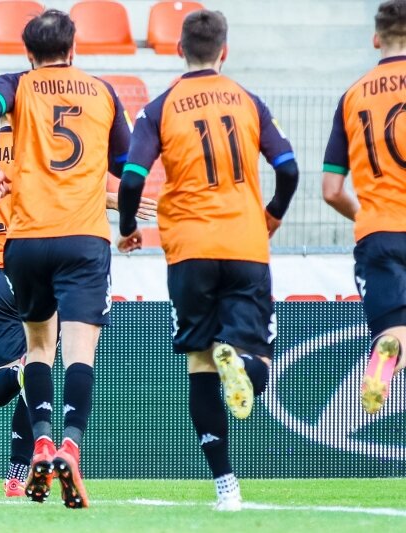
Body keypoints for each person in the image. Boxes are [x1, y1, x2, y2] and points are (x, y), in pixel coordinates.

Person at [117, 9, 299, 511]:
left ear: (179, 50)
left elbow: (131, 178)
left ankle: (226, 488)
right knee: (257, 357)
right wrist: (273, 214)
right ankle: (242, 363)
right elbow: (288, 168)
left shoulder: (158, 109)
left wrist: (128, 227)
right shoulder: (249, 101)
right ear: (225, 51)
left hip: (189, 249)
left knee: (199, 362)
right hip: (245, 244)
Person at [0, 120, 157, 498]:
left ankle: (20, 463)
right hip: (38, 265)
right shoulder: (41, 148)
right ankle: (20, 471)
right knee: (40, 361)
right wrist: (116, 201)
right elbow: (69, 191)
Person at [0, 9, 131, 509]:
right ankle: (70, 447)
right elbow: (127, 165)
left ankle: (40, 443)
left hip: (27, 239)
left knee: (38, 348)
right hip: (83, 237)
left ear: (28, 53)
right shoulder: (103, 92)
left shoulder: (16, 84)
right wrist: (128, 223)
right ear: (73, 47)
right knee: (79, 352)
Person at [323, 0, 406, 416]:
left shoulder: (352, 96)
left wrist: (371, 216)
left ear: (376, 39)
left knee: (394, 330)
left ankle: (386, 353)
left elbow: (331, 190)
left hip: (378, 232)